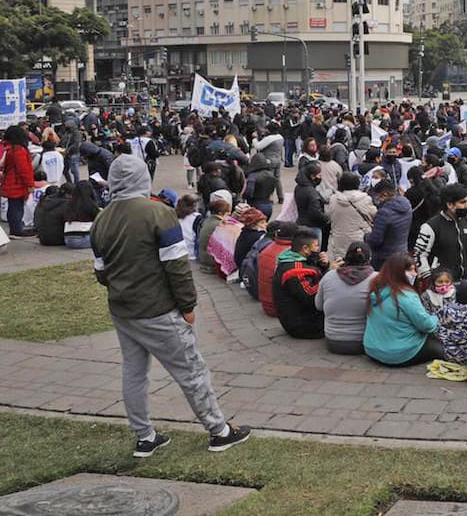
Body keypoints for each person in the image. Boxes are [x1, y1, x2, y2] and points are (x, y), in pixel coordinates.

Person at [90, 154, 250, 457]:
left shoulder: (101, 219)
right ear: (142, 177)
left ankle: (144, 437)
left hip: (123, 310)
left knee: (134, 372)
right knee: (191, 370)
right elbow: (177, 267)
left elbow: (101, 272)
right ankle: (219, 430)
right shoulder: (159, 213)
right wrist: (188, 304)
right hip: (158, 309)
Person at [364, 253, 445, 366]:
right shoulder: (407, 296)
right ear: (398, 272)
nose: (415, 274)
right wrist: (436, 317)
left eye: (414, 270)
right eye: (410, 270)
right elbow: (427, 325)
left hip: (372, 349)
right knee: (443, 347)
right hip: (399, 354)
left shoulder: (377, 289)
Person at [272, 227, 336, 339]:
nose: (318, 249)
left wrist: (323, 266)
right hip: (302, 325)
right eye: (316, 246)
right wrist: (329, 274)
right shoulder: (295, 271)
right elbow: (312, 298)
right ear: (305, 248)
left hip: (296, 316)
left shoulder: (288, 258)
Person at [314, 242, 376, 355]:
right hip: (365, 341)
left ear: (345, 258)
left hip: (333, 341)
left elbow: (318, 306)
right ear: (370, 259)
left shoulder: (328, 276)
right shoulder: (377, 279)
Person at [414, 184, 467, 282]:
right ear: (449, 204)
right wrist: (430, 279)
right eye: (462, 202)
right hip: (444, 286)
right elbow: (419, 255)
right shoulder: (431, 227)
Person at [326, 171, 376, 262]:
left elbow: (329, 216)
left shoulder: (333, 199)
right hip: (359, 239)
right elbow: (373, 214)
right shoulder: (365, 199)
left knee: (340, 264)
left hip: (338, 239)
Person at [364, 179, 412, 271]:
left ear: (384, 194)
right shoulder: (407, 205)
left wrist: (366, 237)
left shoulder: (384, 212)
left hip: (384, 258)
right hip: (402, 253)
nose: (376, 198)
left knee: (383, 284)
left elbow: (376, 240)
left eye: (377, 196)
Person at [2, 125, 36, 236]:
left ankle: (15, 228)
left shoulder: (10, 149)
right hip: (17, 183)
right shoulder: (19, 150)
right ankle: (17, 230)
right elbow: (24, 170)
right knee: (17, 208)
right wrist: (30, 184)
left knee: (13, 207)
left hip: (11, 181)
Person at [293, 161, 329, 250]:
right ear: (312, 176)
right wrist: (326, 219)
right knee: (314, 253)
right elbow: (315, 212)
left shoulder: (299, 187)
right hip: (313, 226)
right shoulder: (312, 192)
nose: (320, 177)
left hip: (301, 222)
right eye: (319, 175)